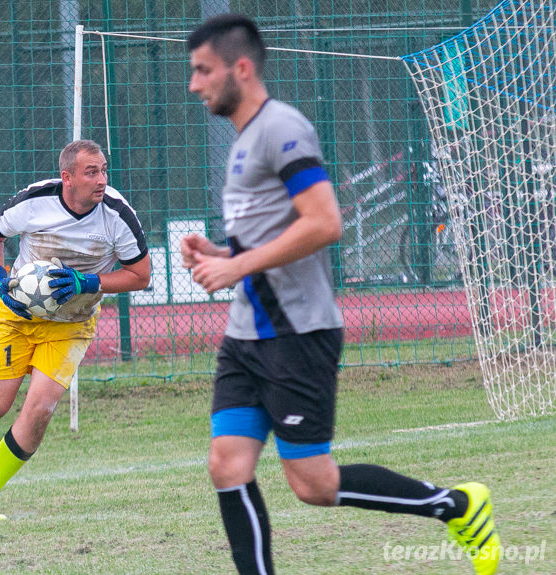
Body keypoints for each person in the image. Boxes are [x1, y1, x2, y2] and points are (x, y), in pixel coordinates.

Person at [182, 14, 500, 575]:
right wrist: (221, 256)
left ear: (242, 68)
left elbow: (325, 222)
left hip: (296, 333)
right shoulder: (241, 142)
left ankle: (456, 505)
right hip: (247, 333)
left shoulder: (283, 127)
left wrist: (240, 266)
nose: (194, 84)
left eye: (203, 70)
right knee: (227, 464)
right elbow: (272, 241)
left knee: (314, 483)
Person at [0, 139, 150, 521]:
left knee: (41, 408)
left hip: (71, 325)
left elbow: (141, 276)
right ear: (67, 178)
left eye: (104, 170)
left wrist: (88, 283)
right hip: (18, 316)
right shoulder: (35, 201)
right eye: (91, 172)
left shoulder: (117, 214)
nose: (101, 180)